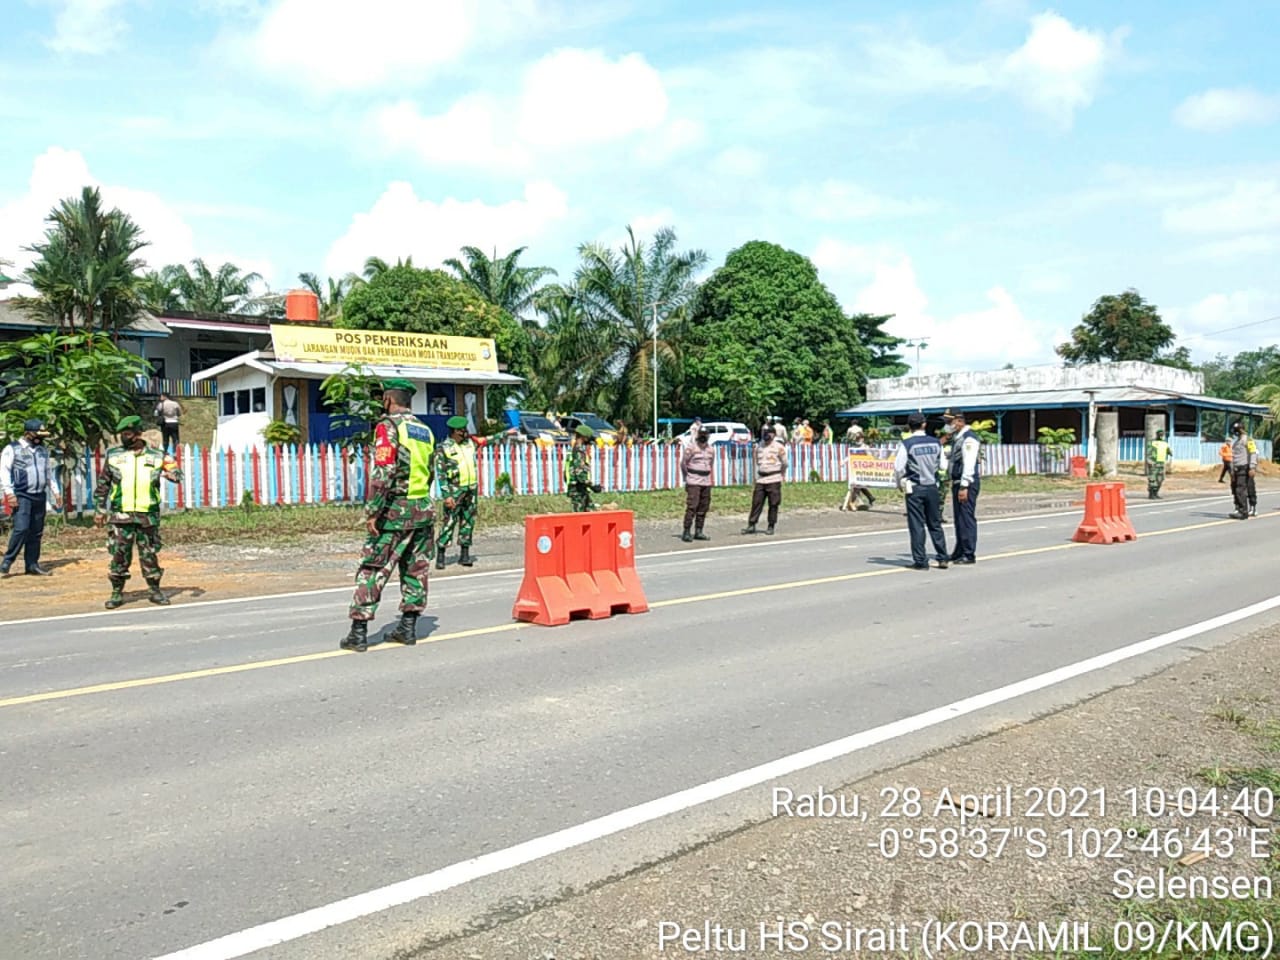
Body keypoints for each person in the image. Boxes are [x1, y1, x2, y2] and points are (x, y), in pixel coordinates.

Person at [342, 379, 436, 652]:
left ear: (387, 400)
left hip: (394, 512)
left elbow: (383, 473)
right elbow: (429, 473)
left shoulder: (388, 427)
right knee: (416, 569)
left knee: (373, 568)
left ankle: (358, 632)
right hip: (422, 510)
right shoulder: (424, 430)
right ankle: (408, 628)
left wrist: (373, 512)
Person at [93, 415, 182, 608]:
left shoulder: (158, 456)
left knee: (149, 554)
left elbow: (176, 473)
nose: (123, 437)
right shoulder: (114, 455)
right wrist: (100, 509)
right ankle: (117, 592)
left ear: (138, 434)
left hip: (147, 515)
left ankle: (155, 590)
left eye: (127, 434)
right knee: (119, 553)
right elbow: (103, 484)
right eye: (122, 434)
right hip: (120, 514)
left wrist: (171, 474)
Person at [1, 418, 62, 576]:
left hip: (39, 495)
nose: (40, 438)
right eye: (38, 434)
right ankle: (8, 560)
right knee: (21, 528)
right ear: (28, 433)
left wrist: (55, 491)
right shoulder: (12, 449)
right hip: (22, 495)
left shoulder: (42, 450)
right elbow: (4, 472)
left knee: (36, 531)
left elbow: (48, 473)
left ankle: (32, 564)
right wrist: (9, 493)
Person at [893, 412, 949, 570]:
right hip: (932, 486)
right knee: (935, 524)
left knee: (917, 525)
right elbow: (943, 466)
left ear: (909, 426)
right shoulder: (935, 443)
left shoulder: (907, 444)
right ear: (924, 424)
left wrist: (899, 483)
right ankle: (943, 557)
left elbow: (898, 468)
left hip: (915, 487)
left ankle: (921, 561)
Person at [435, 415, 478, 570]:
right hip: (454, 491)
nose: (465, 432)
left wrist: (506, 433)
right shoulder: (444, 448)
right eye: (462, 430)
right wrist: (446, 496)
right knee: (449, 523)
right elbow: (441, 474)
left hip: (471, 489)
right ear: (455, 431)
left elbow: (487, 440)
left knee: (468, 522)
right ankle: (441, 555)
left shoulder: (470, 444)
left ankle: (464, 555)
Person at [943, 411, 981, 564]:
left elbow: (969, 463)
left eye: (949, 422)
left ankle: (969, 553)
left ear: (959, 421)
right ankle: (959, 550)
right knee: (959, 518)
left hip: (966, 483)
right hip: (958, 482)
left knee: (966, 518)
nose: (947, 425)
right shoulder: (957, 438)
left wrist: (965, 485)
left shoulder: (968, 438)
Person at [743, 428, 788, 535]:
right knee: (756, 502)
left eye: (769, 433)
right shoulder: (760, 446)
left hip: (774, 478)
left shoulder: (778, 447)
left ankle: (771, 525)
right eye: (764, 433)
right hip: (761, 479)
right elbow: (757, 462)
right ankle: (751, 524)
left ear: (774, 434)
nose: (766, 435)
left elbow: (785, 463)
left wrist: (780, 474)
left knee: (773, 503)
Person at [680, 427, 714, 541]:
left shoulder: (711, 449)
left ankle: (699, 531)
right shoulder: (691, 448)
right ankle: (686, 531)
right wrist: (687, 477)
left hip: (706, 481)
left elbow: (711, 464)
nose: (703, 436)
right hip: (693, 480)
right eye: (702, 434)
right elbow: (683, 463)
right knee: (692, 506)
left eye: (706, 434)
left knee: (704, 506)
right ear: (698, 435)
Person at [566, 424, 602, 511]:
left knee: (590, 512)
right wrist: (592, 486)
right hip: (578, 490)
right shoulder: (578, 452)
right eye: (588, 437)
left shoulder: (574, 450)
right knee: (580, 516)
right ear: (584, 437)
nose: (589, 440)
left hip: (581, 488)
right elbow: (580, 473)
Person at [841, 429, 876, 511]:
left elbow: (871, 457)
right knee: (857, 485)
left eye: (859, 438)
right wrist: (844, 462)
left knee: (857, 486)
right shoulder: (854, 448)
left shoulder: (866, 447)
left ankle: (852, 503)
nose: (857, 440)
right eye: (856, 439)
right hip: (856, 470)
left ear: (862, 439)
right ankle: (869, 497)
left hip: (864, 469)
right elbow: (850, 456)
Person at [1228, 421, 1258, 520]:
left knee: (1241, 489)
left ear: (1240, 430)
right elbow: (1233, 457)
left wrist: (1252, 467)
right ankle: (1239, 509)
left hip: (1244, 468)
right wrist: (1232, 470)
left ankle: (1243, 512)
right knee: (1235, 489)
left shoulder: (1248, 440)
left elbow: (1253, 453)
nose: (1235, 433)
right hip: (1236, 469)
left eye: (1236, 431)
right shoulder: (1236, 442)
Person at [1146, 430, 1171, 499]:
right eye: (1159, 434)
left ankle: (1156, 493)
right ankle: (1151, 494)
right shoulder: (1152, 442)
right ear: (1157, 434)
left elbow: (1168, 451)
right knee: (1152, 479)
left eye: (1162, 434)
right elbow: (1148, 452)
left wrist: (1170, 452)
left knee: (1160, 479)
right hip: (1154, 463)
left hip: (1161, 463)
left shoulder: (1164, 443)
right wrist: (1149, 461)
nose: (1161, 435)